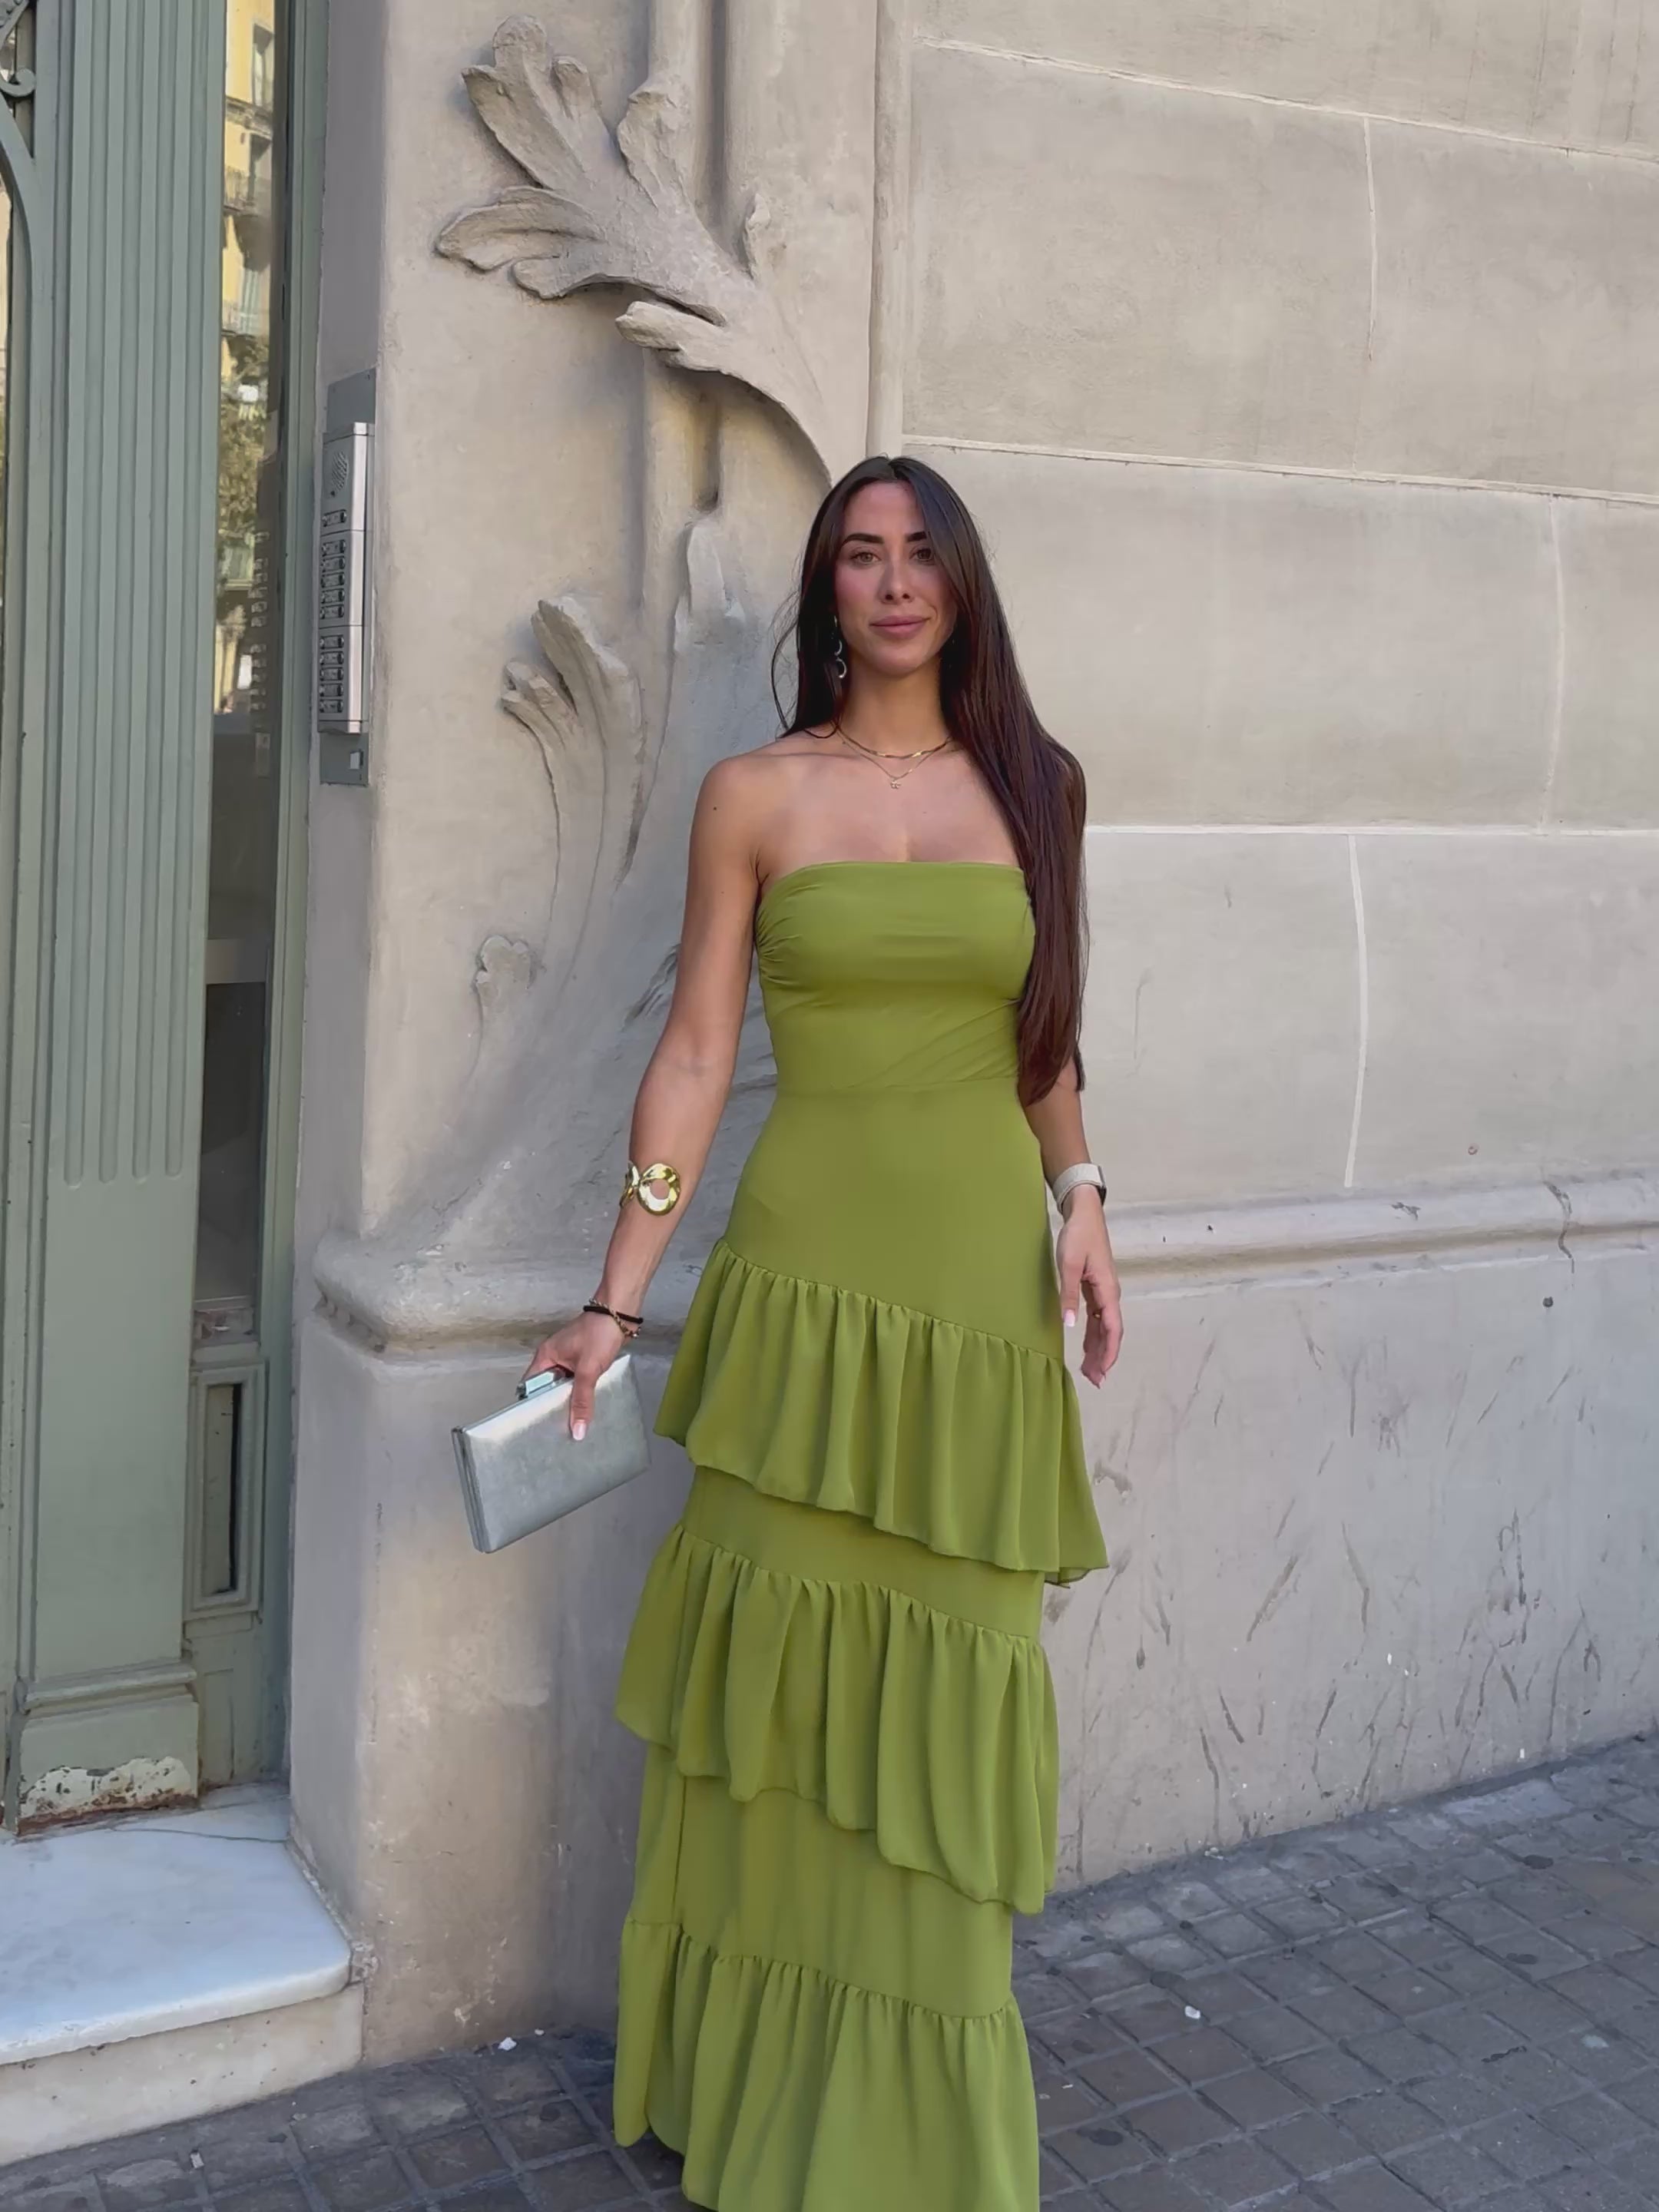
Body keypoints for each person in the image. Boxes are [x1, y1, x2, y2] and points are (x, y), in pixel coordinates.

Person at [525, 453, 1122, 2211]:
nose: (896, 581)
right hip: (801, 1299)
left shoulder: (1040, 786)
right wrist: (614, 1297)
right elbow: (697, 1051)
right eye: (862, 555)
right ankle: (761, 2094)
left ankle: (913, 2127)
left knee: (944, 1695)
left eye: (924, 552)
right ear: (828, 592)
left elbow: (1043, 1038)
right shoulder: (754, 795)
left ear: (963, 582)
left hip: (977, 1306)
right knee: (780, 1708)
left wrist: (1085, 1199)